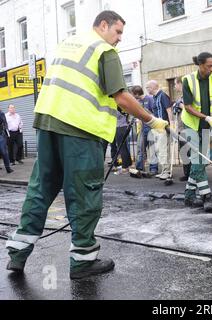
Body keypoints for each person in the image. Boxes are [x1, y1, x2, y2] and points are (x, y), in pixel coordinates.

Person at [5, 10, 168, 280]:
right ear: (103, 25)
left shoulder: (68, 45)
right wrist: (152, 120)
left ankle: (18, 253)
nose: (118, 39)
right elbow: (122, 96)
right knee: (84, 193)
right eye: (117, 32)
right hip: (80, 129)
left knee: (40, 189)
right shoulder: (104, 51)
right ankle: (82, 261)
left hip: (47, 123)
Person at [181, 52, 212, 213]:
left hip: (207, 125)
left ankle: (189, 195)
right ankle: (206, 196)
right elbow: (188, 106)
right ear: (200, 65)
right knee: (198, 159)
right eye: (209, 66)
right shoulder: (188, 80)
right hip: (191, 124)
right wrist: (206, 117)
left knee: (201, 160)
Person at [145, 80, 173, 180]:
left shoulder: (162, 95)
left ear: (153, 87)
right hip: (157, 128)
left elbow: (169, 110)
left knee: (163, 150)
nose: (147, 89)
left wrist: (172, 125)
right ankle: (163, 170)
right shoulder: (155, 97)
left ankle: (167, 171)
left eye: (147, 87)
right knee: (158, 150)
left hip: (163, 127)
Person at [130, 85, 156, 175]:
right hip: (142, 128)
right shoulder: (137, 102)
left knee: (152, 149)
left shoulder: (150, 99)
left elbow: (154, 113)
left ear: (137, 94)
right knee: (140, 148)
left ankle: (153, 169)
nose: (132, 97)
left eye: (133, 95)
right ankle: (139, 168)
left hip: (151, 127)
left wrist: (146, 114)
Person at [172, 76, 190, 181]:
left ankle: (192, 175)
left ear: (180, 84)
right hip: (180, 128)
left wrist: (180, 105)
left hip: (187, 128)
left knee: (188, 152)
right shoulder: (181, 97)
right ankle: (186, 174)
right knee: (183, 152)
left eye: (175, 84)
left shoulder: (187, 95)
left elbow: (189, 109)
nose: (175, 87)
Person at [111, 108, 132, 174]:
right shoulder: (122, 106)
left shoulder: (118, 106)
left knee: (122, 147)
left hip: (120, 127)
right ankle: (128, 165)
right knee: (124, 147)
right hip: (123, 126)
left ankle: (125, 167)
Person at [0, 109, 13, 173]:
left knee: (4, 151)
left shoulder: (1, 113)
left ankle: (8, 168)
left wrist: (7, 133)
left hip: (1, 135)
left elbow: (5, 123)